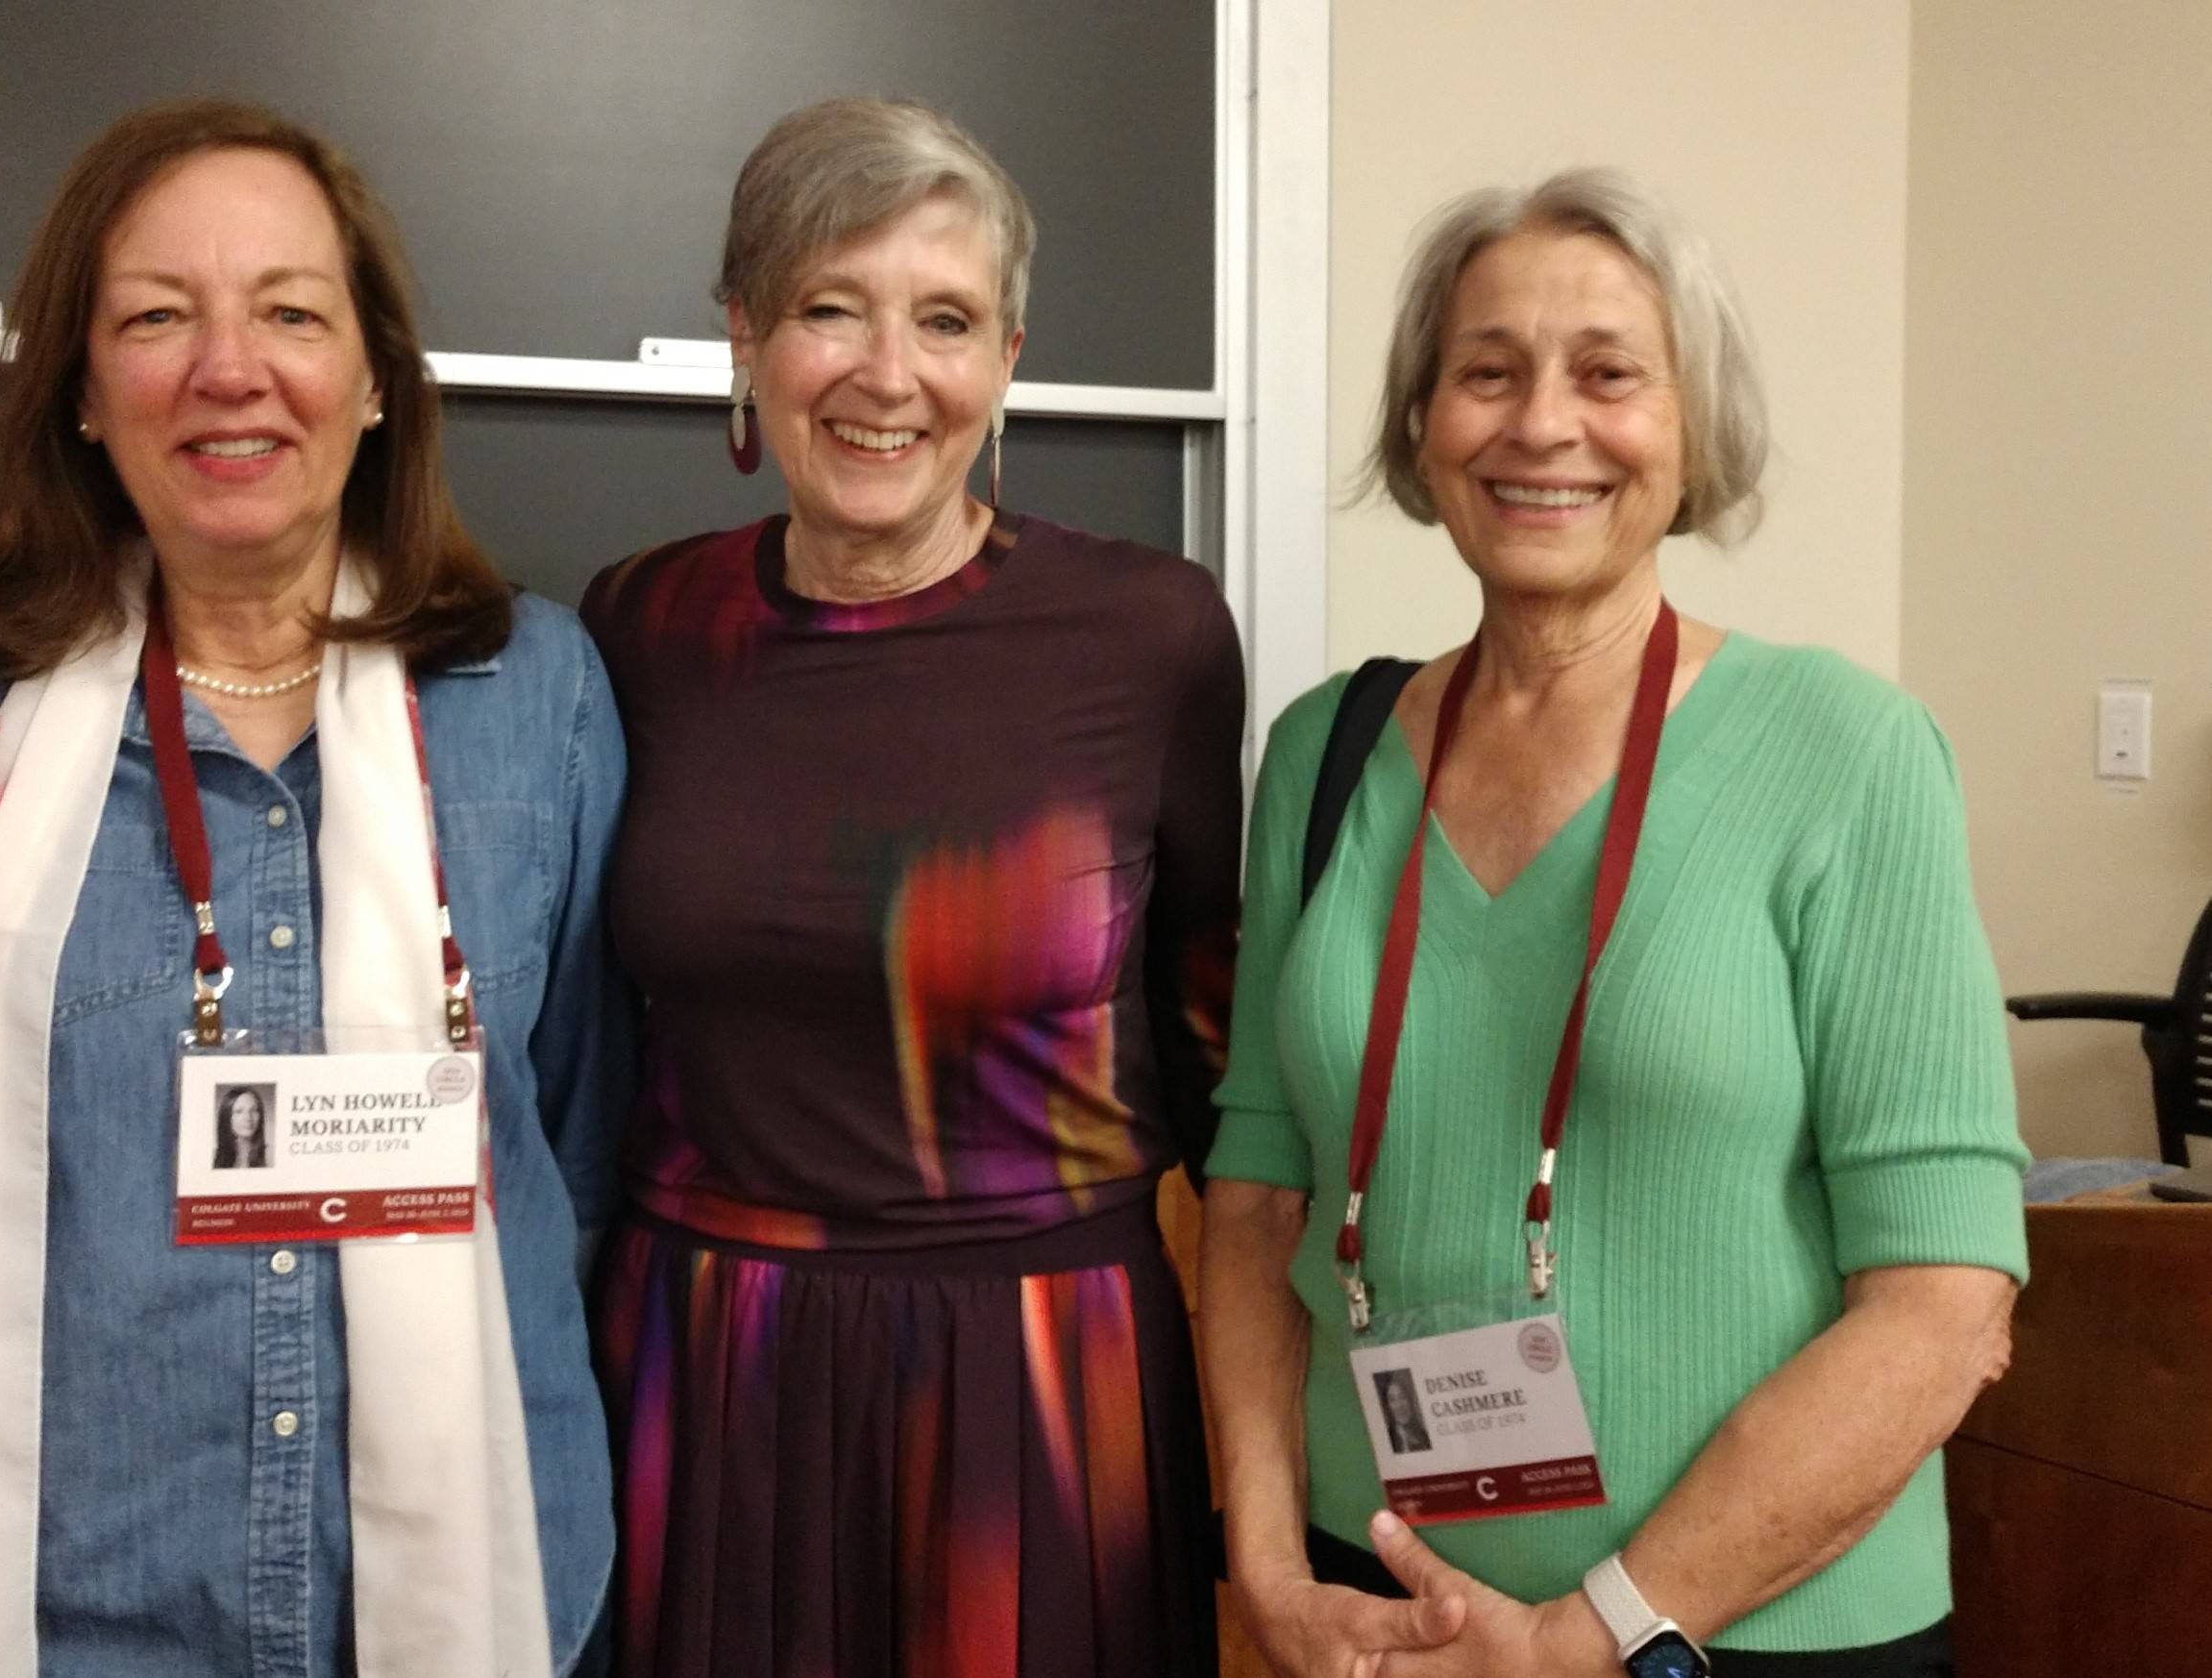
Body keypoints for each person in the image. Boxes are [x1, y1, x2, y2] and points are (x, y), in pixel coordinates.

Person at [0, 99, 628, 1678]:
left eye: (292, 314)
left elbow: (573, 1159)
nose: (228, 368)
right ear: (86, 396)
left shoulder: (539, 698)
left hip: (483, 1605)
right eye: (156, 318)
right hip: (56, 1631)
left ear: (375, 380)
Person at [1200, 169, 2028, 1678]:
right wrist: (1261, 1567)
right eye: (1484, 372)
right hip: (1367, 1620)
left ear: (1689, 427)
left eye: (1605, 373)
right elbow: (1256, 1198)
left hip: (1732, 1639)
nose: (1539, 424)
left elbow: (1939, 1300)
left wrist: (1595, 1633)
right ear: (1418, 423)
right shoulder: (1320, 755)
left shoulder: (1846, 750)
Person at [581, 97, 1241, 1678]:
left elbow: (1230, 1072)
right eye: (827, 308)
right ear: (744, 336)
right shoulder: (636, 627)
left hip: (1042, 1379)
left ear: (1006, 357)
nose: (888, 375)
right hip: (698, 1367)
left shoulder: (1149, 637)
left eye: (942, 319)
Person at [1372, 1370, 1431, 1456]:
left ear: (1409, 1400)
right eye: (1392, 1400)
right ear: (1388, 1407)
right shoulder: (1385, 1440)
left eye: (1402, 1396)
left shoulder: (1424, 1436)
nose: (1399, 1405)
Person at [214, 1084, 274, 1169]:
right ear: (226, 1117)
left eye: (253, 1110)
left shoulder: (271, 1155)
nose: (248, 1117)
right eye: (239, 1111)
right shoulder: (214, 1158)